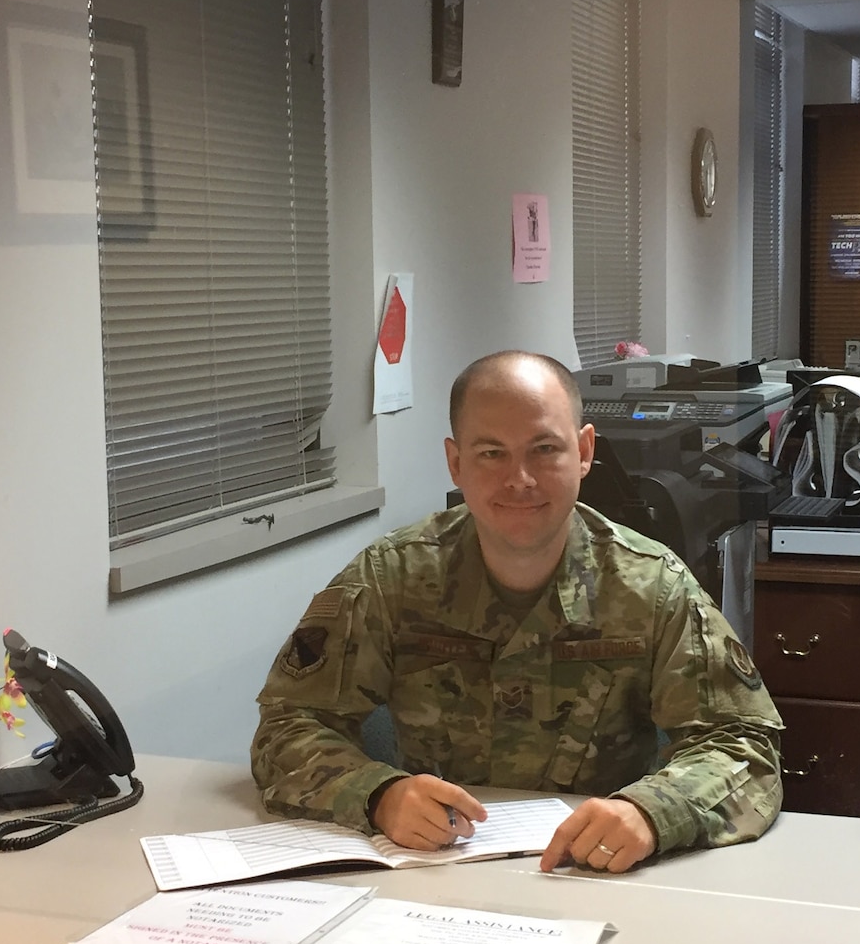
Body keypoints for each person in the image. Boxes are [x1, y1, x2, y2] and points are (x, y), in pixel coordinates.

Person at [250, 350, 782, 872]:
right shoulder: (393, 577)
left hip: (596, 868)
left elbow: (744, 747)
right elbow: (287, 725)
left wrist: (651, 812)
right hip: (432, 866)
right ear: (455, 462)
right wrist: (378, 795)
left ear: (584, 451)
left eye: (544, 449)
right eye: (490, 453)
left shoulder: (651, 585)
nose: (519, 479)